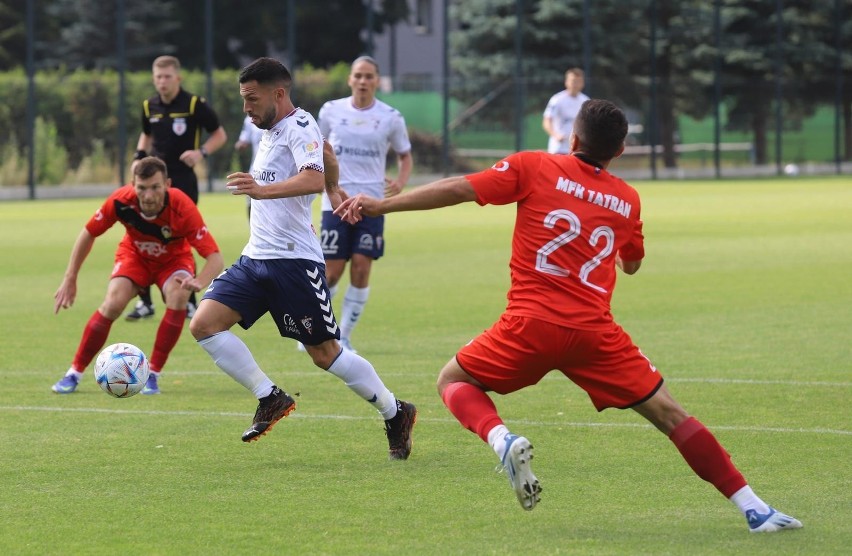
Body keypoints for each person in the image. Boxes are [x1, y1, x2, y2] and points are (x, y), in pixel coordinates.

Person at [334, 99, 802, 532]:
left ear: (572, 139)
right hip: (594, 334)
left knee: (452, 380)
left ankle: (501, 441)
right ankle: (754, 508)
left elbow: (459, 189)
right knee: (670, 415)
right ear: (619, 150)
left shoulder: (533, 166)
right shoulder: (628, 199)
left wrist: (382, 203)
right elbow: (633, 263)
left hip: (529, 325)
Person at [188, 57, 417, 460]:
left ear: (279, 93)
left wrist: (264, 189)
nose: (246, 108)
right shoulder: (270, 128)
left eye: (251, 99)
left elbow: (310, 172)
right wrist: (333, 190)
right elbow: (326, 156)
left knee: (325, 355)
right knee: (205, 325)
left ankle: (395, 411)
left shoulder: (298, 125)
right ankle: (269, 397)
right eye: (243, 99)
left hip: (295, 263)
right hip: (256, 258)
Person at [52, 157, 224, 395]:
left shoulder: (182, 206)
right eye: (142, 188)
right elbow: (88, 233)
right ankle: (74, 373)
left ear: (167, 184)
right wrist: (70, 277)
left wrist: (200, 281)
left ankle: (152, 374)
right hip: (135, 256)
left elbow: (215, 257)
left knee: (178, 294)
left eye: (155, 187)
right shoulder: (121, 201)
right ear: (133, 185)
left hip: (173, 260)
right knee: (113, 302)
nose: (148, 195)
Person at [315, 55, 413, 353]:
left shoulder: (390, 117)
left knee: (360, 268)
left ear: (376, 81)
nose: (362, 81)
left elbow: (404, 154)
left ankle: (344, 336)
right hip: (335, 202)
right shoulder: (331, 111)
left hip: (371, 203)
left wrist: (400, 182)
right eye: (358, 75)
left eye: (369, 76)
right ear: (350, 79)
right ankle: (320, 331)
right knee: (331, 272)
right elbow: (315, 148)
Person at [126, 55, 228, 322]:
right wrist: (138, 156)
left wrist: (201, 152)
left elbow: (219, 134)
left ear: (178, 78)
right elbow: (146, 134)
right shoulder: (149, 106)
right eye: (158, 77)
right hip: (152, 183)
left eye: (167, 76)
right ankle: (145, 301)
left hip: (182, 181)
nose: (162, 82)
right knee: (142, 235)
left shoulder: (194, 104)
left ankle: (189, 300)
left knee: (180, 239)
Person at [542, 67, 590, 155]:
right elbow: (547, 121)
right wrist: (556, 135)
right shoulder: (557, 99)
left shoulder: (585, 101)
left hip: (577, 151)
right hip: (559, 149)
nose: (575, 84)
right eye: (573, 81)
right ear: (566, 82)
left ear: (582, 83)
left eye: (578, 81)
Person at [234, 114, 264, 218]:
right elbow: (244, 140)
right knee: (251, 202)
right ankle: (254, 230)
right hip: (256, 170)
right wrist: (240, 145)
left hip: (276, 171)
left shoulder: (278, 117)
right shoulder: (249, 120)